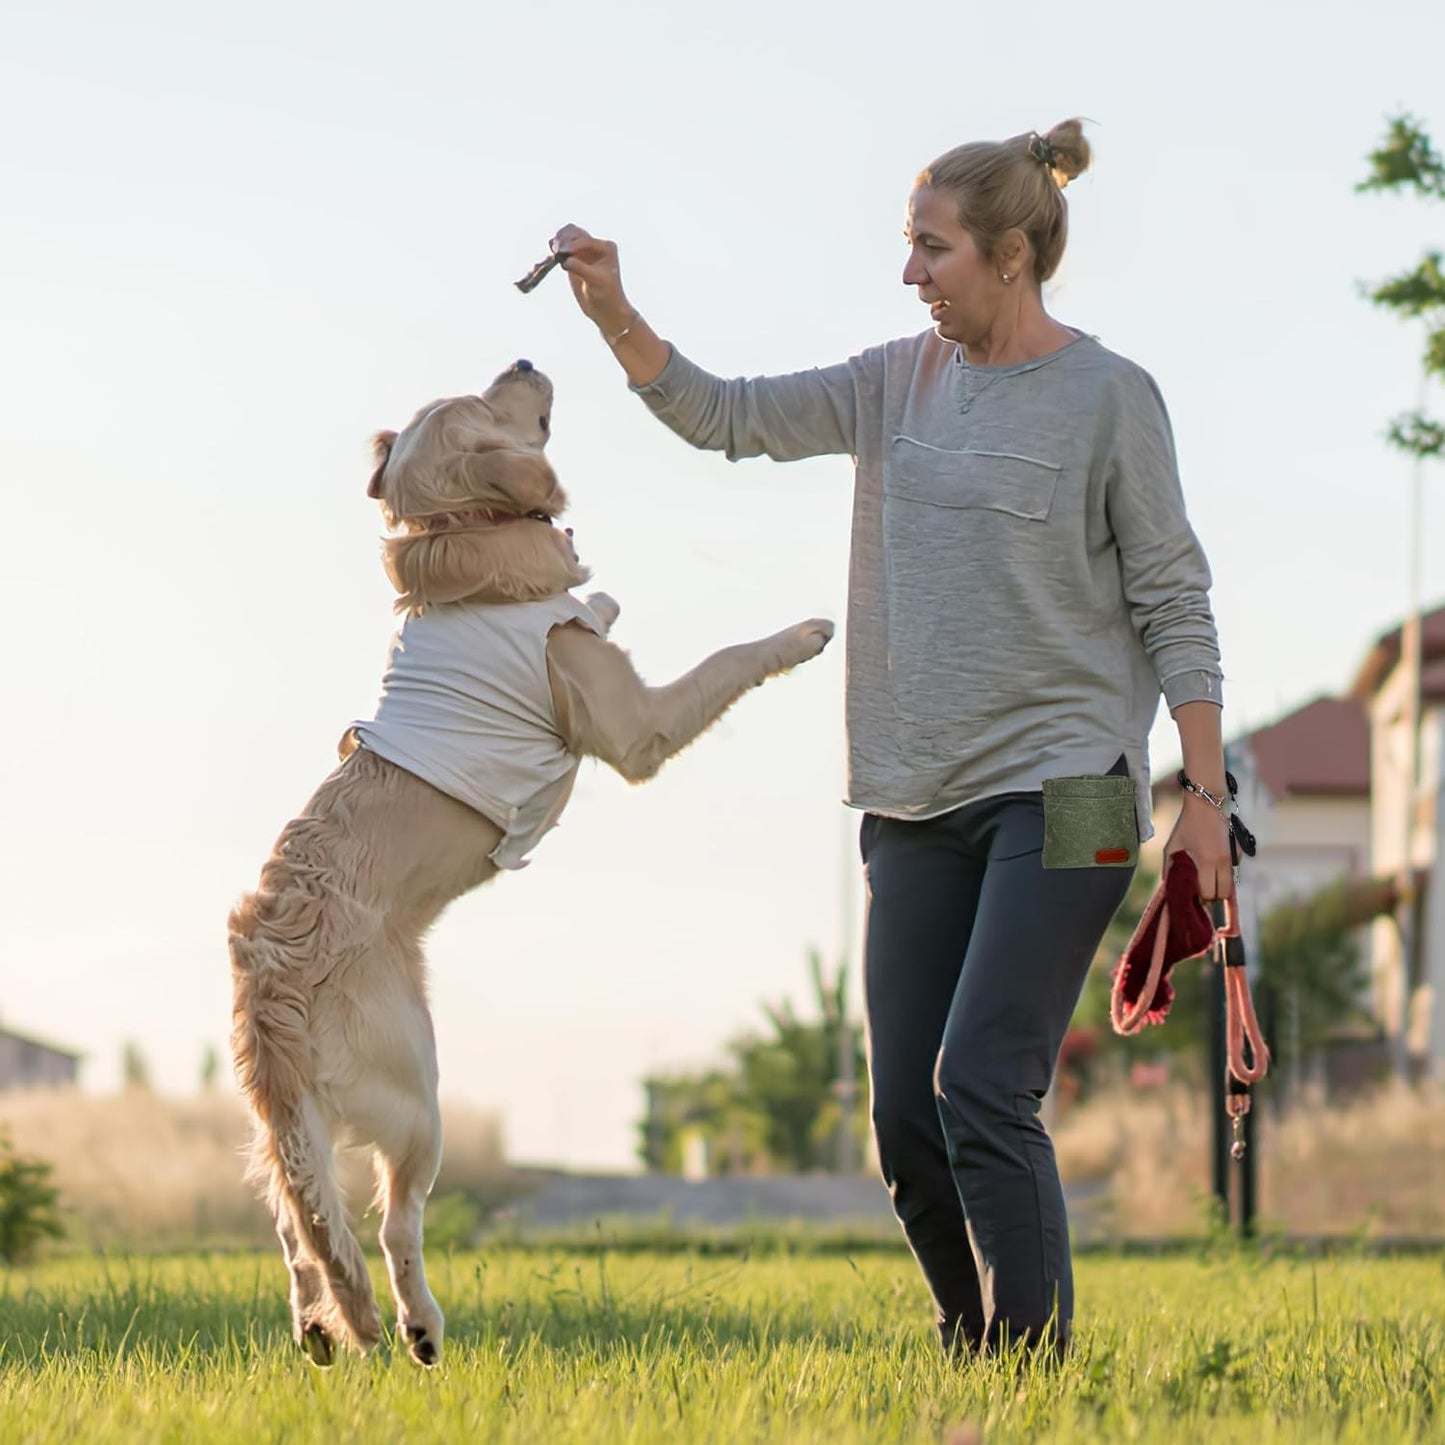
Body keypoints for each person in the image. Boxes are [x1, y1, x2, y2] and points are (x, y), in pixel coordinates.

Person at [549, 118, 1232, 1356]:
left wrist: (1204, 800)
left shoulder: (1110, 398)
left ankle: (1031, 1372)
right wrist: (613, 314)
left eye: (932, 249)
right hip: (914, 798)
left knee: (981, 1081)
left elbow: (1172, 599)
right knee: (908, 1130)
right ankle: (967, 1341)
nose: (909, 273)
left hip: (1073, 791)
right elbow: (723, 416)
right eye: (906, 247)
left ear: (1011, 255)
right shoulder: (889, 383)